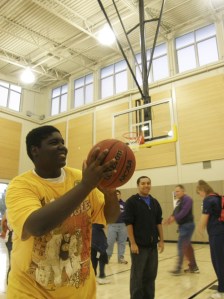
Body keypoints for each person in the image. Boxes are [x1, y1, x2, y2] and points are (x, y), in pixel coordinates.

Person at [5, 125, 120, 299]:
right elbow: (36, 226)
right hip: (31, 291)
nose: (62, 146)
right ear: (35, 151)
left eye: (62, 142)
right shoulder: (21, 185)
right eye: (54, 142)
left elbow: (110, 217)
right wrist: (86, 185)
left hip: (81, 292)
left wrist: (110, 192)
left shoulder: (81, 177)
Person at [124, 176, 164, 299]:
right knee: (137, 277)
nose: (146, 185)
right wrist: (133, 243)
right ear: (138, 185)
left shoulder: (154, 202)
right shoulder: (131, 202)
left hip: (152, 246)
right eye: (143, 183)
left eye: (148, 183)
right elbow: (128, 223)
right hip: (139, 247)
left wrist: (161, 240)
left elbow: (158, 222)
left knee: (151, 276)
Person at [196, 180, 224, 299]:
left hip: (216, 235)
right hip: (221, 232)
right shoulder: (217, 197)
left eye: (199, 193)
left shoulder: (207, 200)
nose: (199, 195)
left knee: (218, 262)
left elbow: (204, 218)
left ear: (202, 190)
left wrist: (199, 230)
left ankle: (222, 290)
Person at [164, 184, 199, 275]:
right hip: (183, 226)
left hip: (187, 226)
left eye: (178, 191)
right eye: (175, 191)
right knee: (187, 248)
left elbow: (184, 212)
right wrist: (169, 219)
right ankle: (193, 267)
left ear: (183, 191)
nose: (176, 193)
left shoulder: (188, 199)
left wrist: (174, 218)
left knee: (181, 246)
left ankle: (178, 269)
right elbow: (175, 212)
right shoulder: (179, 201)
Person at [107, 189, 128, 264]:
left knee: (122, 242)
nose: (116, 196)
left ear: (120, 195)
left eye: (118, 194)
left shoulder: (125, 204)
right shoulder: (109, 204)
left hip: (123, 225)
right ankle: (107, 257)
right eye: (115, 195)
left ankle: (121, 258)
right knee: (110, 242)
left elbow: (127, 215)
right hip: (112, 225)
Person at [1, 211, 13, 283]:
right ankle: (9, 282)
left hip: (12, 239)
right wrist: (4, 231)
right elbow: (3, 222)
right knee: (12, 263)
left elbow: (3, 222)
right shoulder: (9, 210)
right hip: (11, 240)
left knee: (13, 263)